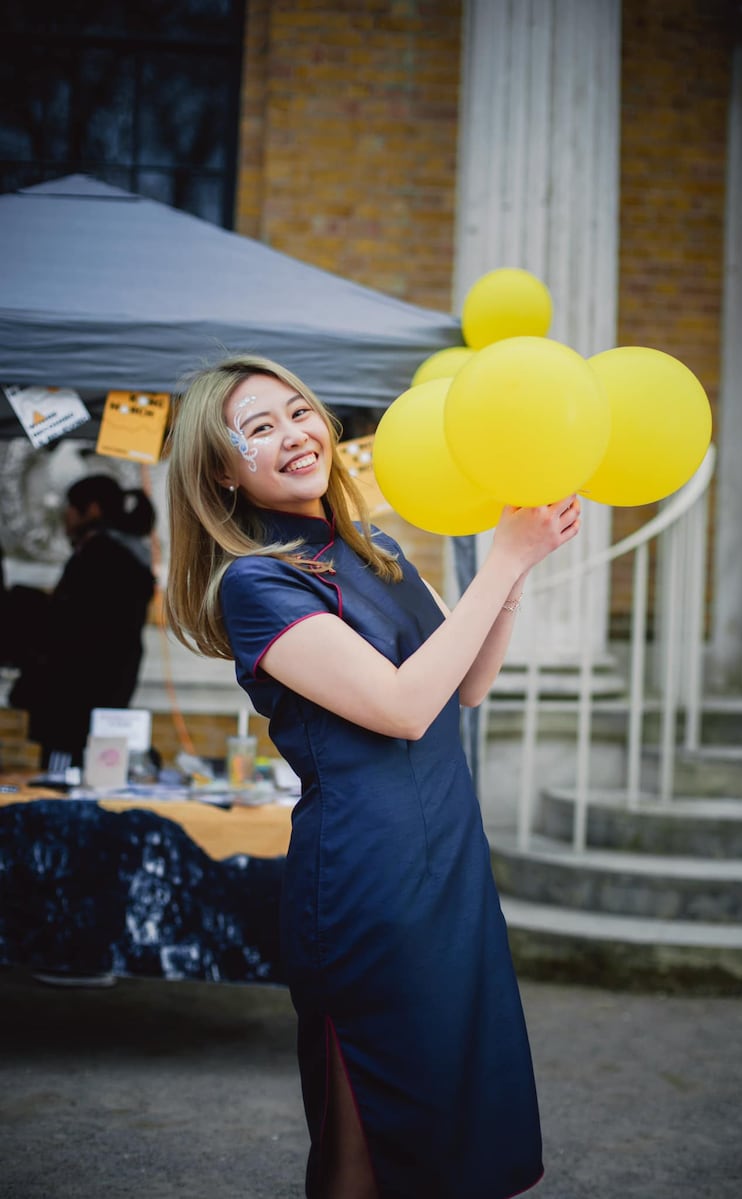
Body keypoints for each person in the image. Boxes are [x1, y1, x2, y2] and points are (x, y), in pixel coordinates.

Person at [166, 353, 581, 1199]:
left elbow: (466, 681)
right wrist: (500, 562)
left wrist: (514, 570)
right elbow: (403, 707)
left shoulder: (374, 547)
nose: (294, 434)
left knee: (459, 1110)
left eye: (299, 412)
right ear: (223, 472)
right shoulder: (256, 581)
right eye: (259, 428)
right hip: (369, 876)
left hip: (449, 856)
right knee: (368, 1120)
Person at [9, 474, 156, 769]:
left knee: (60, 781)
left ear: (92, 509)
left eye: (70, 508)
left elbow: (70, 628)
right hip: (102, 698)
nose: (65, 517)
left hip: (73, 704)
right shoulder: (128, 554)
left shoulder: (100, 555)